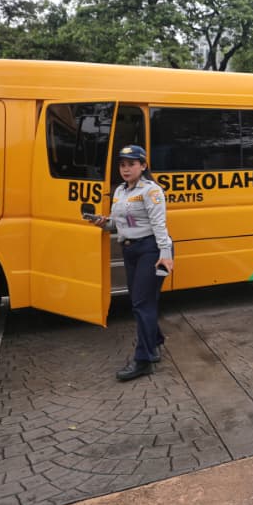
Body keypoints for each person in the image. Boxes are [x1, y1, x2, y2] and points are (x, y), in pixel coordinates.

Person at [88, 144, 174, 381]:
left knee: (140, 303)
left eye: (131, 164)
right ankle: (154, 341)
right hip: (130, 250)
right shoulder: (120, 192)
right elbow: (120, 224)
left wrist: (165, 254)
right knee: (144, 300)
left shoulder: (151, 191)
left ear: (143, 166)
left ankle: (144, 360)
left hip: (151, 250)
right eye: (122, 165)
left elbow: (159, 224)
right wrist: (103, 224)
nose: (125, 169)